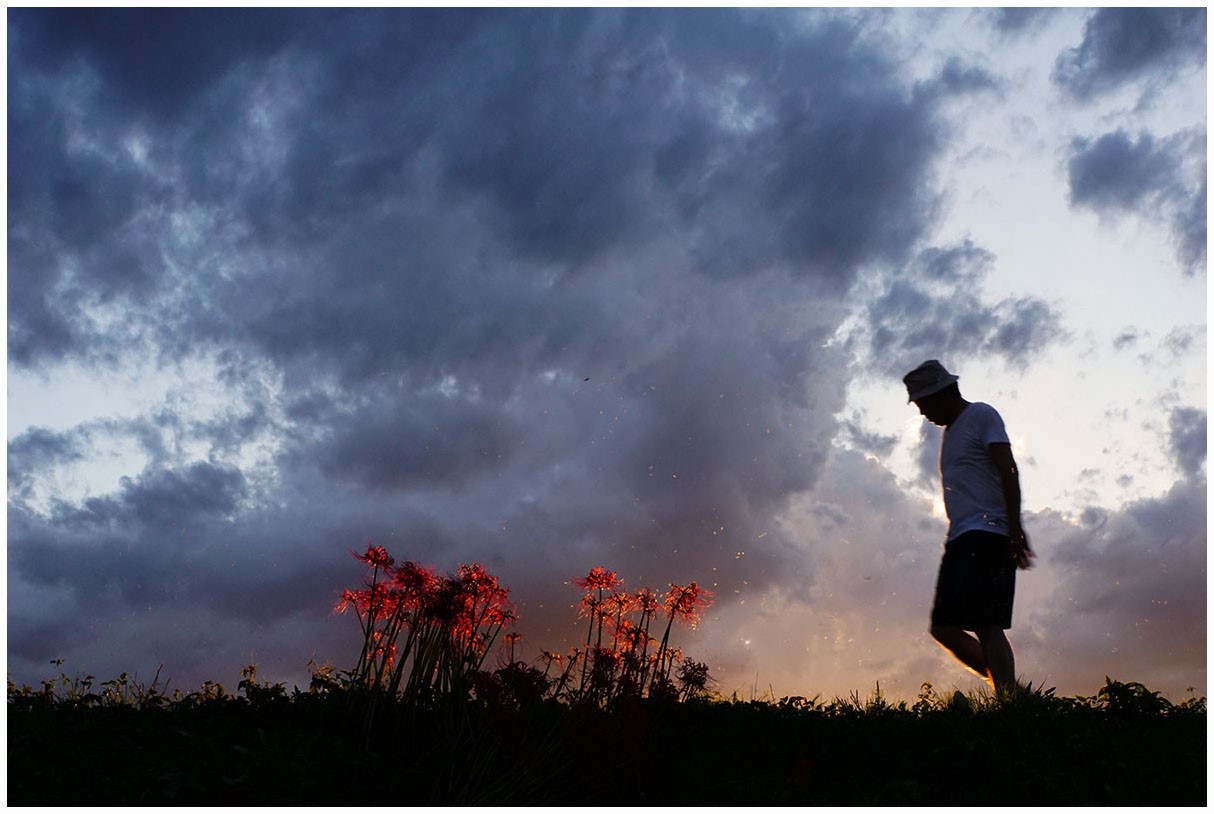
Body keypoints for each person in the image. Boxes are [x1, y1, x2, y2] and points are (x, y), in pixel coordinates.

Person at [903, 359, 1034, 697]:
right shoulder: (951, 433)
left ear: (942, 394)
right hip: (961, 536)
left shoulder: (981, 415)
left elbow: (1008, 469)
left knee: (987, 625)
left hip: (988, 534)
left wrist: (1014, 526)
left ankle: (1010, 703)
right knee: (943, 627)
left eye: (923, 404)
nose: (922, 414)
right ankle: (1015, 694)